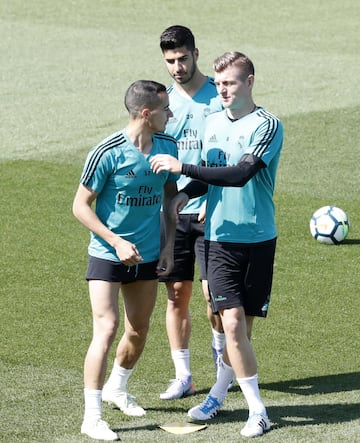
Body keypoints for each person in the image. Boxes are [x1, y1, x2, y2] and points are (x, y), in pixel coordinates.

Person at [150, 51, 283, 438]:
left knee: (243, 328)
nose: (223, 89)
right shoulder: (211, 123)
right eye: (220, 83)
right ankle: (258, 411)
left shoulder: (268, 125)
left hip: (258, 236)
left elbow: (241, 173)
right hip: (220, 238)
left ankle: (220, 391)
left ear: (250, 82)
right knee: (231, 320)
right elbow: (209, 177)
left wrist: (183, 169)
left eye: (231, 83)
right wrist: (185, 195)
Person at [72, 80, 178, 441]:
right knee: (107, 327)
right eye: (166, 109)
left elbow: (170, 201)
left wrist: (167, 247)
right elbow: (79, 206)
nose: (171, 114)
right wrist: (116, 242)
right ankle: (93, 416)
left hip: (148, 255)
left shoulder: (167, 146)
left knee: (139, 328)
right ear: (146, 114)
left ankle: (118, 387)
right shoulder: (107, 152)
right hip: (107, 254)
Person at [158, 25, 225, 401]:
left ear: (196, 53)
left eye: (183, 58)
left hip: (211, 209)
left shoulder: (219, 94)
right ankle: (183, 375)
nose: (177, 66)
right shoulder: (165, 101)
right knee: (175, 293)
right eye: (170, 61)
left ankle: (223, 365)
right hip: (174, 211)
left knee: (212, 298)